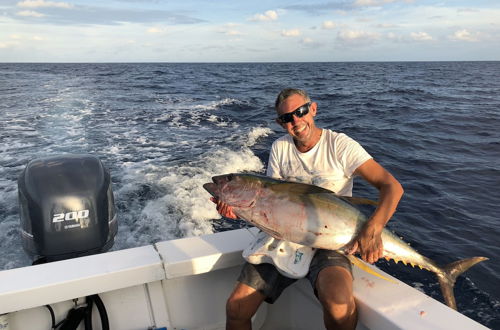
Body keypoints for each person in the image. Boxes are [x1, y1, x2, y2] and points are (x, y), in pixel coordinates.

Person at [212, 88, 404, 330]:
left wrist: (373, 228)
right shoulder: (280, 148)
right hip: (285, 239)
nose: (295, 121)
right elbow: (270, 207)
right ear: (280, 123)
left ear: (313, 109)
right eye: (286, 118)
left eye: (300, 112)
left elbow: (392, 187)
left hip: (333, 240)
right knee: (236, 308)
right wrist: (239, 212)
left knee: (339, 306)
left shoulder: (340, 145)